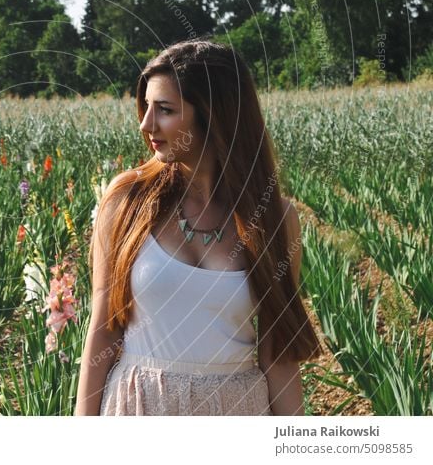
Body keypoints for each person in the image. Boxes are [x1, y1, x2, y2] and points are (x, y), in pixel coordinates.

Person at [74, 40, 322, 416]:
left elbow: (278, 354)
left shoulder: (273, 219)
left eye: (165, 110)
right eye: (146, 108)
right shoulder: (127, 199)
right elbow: (103, 329)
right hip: (140, 407)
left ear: (214, 114)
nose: (146, 124)